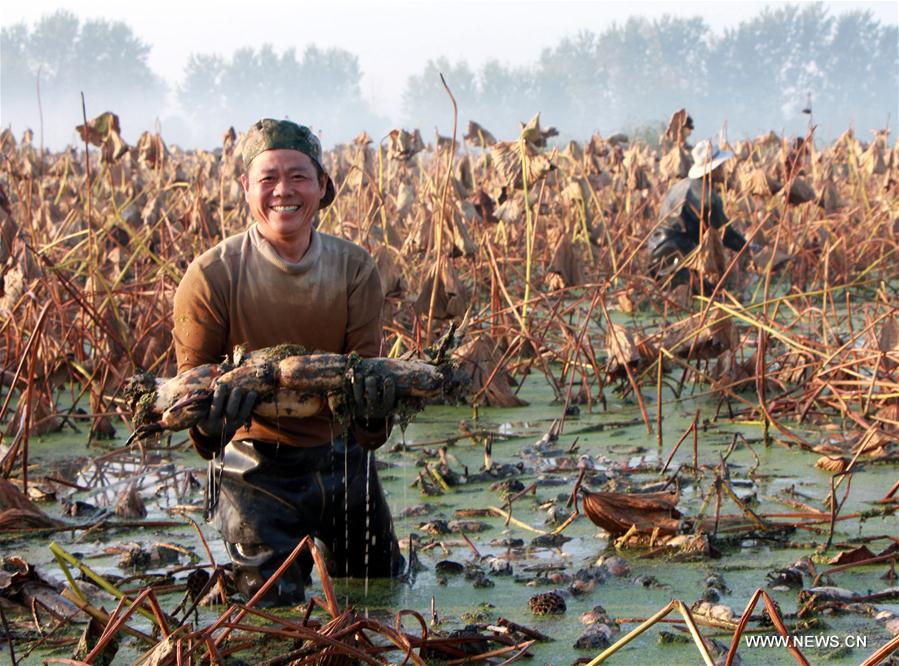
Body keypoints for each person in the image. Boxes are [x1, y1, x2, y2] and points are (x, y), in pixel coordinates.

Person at [172, 118, 404, 607]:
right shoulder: (211, 276)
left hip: (343, 461)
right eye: (269, 178)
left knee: (381, 592)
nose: (284, 191)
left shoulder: (354, 268)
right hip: (252, 468)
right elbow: (197, 424)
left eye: (299, 177)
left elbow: (368, 422)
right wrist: (211, 420)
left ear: (322, 186)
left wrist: (374, 410)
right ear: (246, 188)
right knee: (269, 612)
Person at [648, 139, 747, 289]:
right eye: (721, 166)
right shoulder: (707, 196)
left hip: (657, 251)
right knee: (713, 295)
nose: (724, 169)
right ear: (712, 170)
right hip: (680, 253)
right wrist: (746, 249)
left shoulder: (680, 186)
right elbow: (724, 234)